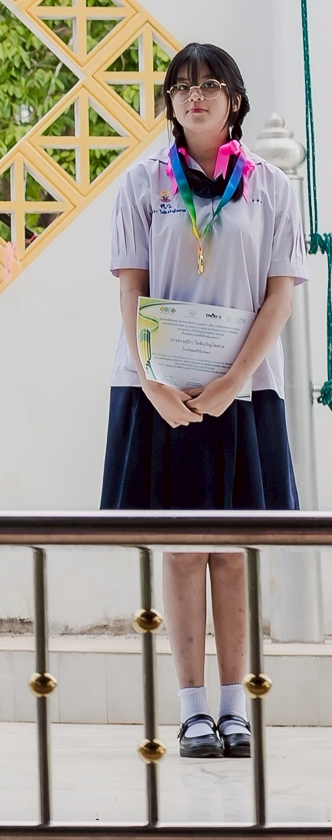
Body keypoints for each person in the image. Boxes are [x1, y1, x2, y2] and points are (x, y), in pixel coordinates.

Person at [103, 42, 306, 761]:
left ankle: (234, 709)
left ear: (235, 101)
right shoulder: (141, 183)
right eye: (183, 86)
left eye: (211, 85)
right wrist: (152, 382)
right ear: (169, 101)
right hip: (161, 390)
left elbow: (279, 297)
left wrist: (231, 382)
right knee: (185, 549)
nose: (196, 95)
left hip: (243, 390)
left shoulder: (271, 188)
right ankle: (192, 713)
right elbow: (131, 289)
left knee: (233, 550)